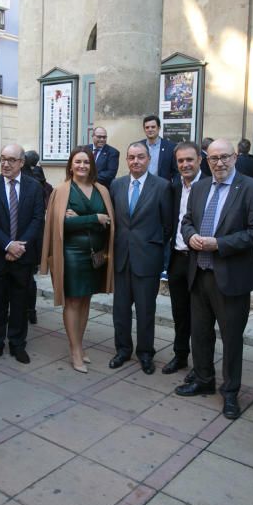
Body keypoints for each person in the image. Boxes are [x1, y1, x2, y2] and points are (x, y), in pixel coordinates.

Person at [174, 139, 253, 419]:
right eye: (213, 158)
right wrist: (190, 235)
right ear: (206, 160)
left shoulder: (252, 188)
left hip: (231, 278)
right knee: (200, 335)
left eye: (225, 157)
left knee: (231, 339)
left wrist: (220, 244)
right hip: (199, 274)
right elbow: (187, 220)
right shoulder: (200, 186)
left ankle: (230, 393)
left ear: (236, 157)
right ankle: (204, 380)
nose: (219, 163)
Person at [40, 146, 114, 372]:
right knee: (72, 301)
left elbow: (109, 222)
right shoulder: (61, 191)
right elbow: (60, 224)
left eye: (86, 162)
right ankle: (74, 351)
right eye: (78, 162)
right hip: (71, 254)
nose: (82, 166)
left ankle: (80, 346)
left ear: (92, 165)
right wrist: (93, 218)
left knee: (86, 300)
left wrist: (81, 219)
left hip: (96, 254)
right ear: (70, 165)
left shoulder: (101, 190)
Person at [109, 143, 174, 374]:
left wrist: (150, 245)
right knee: (120, 310)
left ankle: (146, 353)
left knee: (146, 311)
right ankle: (122, 350)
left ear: (148, 159)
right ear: (127, 160)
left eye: (140, 157)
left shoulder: (162, 186)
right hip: (122, 258)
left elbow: (168, 226)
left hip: (147, 260)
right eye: (131, 157)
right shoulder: (117, 185)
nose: (135, 161)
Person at [0, 144, 45, 365]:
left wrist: (20, 247)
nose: (5, 164)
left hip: (23, 257)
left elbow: (37, 219)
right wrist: (8, 245)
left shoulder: (34, 187)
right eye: (2, 159)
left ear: (21, 162)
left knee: (19, 302)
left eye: (11, 160)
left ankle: (18, 344)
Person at [163, 141, 203, 375]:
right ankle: (180, 356)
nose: (185, 164)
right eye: (180, 161)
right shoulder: (175, 186)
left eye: (189, 159)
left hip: (200, 260)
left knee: (200, 315)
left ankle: (201, 366)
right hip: (178, 257)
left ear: (200, 159)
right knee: (179, 312)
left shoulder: (210, 185)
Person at [24, 150, 51, 326]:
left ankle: (24, 310)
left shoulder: (27, 181)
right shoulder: (44, 183)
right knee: (28, 277)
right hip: (36, 237)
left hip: (25, 236)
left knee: (23, 277)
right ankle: (31, 311)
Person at [138, 115, 176, 180]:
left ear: (159, 128)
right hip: (142, 186)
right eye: (147, 127)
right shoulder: (138, 146)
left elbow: (176, 171)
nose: (150, 130)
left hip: (162, 187)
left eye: (153, 127)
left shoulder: (170, 147)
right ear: (144, 129)